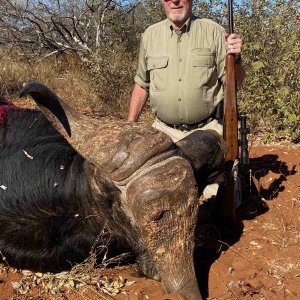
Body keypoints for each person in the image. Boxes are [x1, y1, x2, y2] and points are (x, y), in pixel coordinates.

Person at [127, 0, 245, 196]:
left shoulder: (214, 31)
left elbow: (235, 83)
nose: (175, 1)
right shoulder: (150, 35)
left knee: (215, 197)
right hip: (164, 134)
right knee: (148, 193)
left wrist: (237, 58)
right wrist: (129, 125)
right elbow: (142, 84)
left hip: (207, 132)